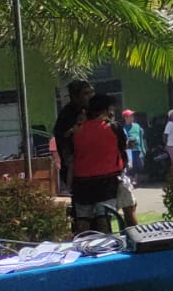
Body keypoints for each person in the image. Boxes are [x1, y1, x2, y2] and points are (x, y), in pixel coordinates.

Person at [69, 95, 137, 233]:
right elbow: (121, 146)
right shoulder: (113, 127)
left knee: (83, 220)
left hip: (81, 181)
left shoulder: (77, 130)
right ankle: (108, 245)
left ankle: (81, 245)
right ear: (106, 110)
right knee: (103, 217)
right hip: (107, 179)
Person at [53, 79, 93, 186]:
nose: (91, 96)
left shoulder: (94, 111)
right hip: (79, 170)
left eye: (92, 92)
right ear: (75, 96)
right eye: (86, 93)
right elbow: (62, 139)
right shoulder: (66, 115)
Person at [121, 110, 145, 183]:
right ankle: (132, 180)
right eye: (130, 116)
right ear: (125, 118)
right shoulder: (123, 128)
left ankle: (136, 178)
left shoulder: (137, 126)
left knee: (140, 165)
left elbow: (141, 137)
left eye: (132, 115)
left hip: (138, 149)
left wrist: (143, 149)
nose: (132, 117)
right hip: (130, 150)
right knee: (131, 166)